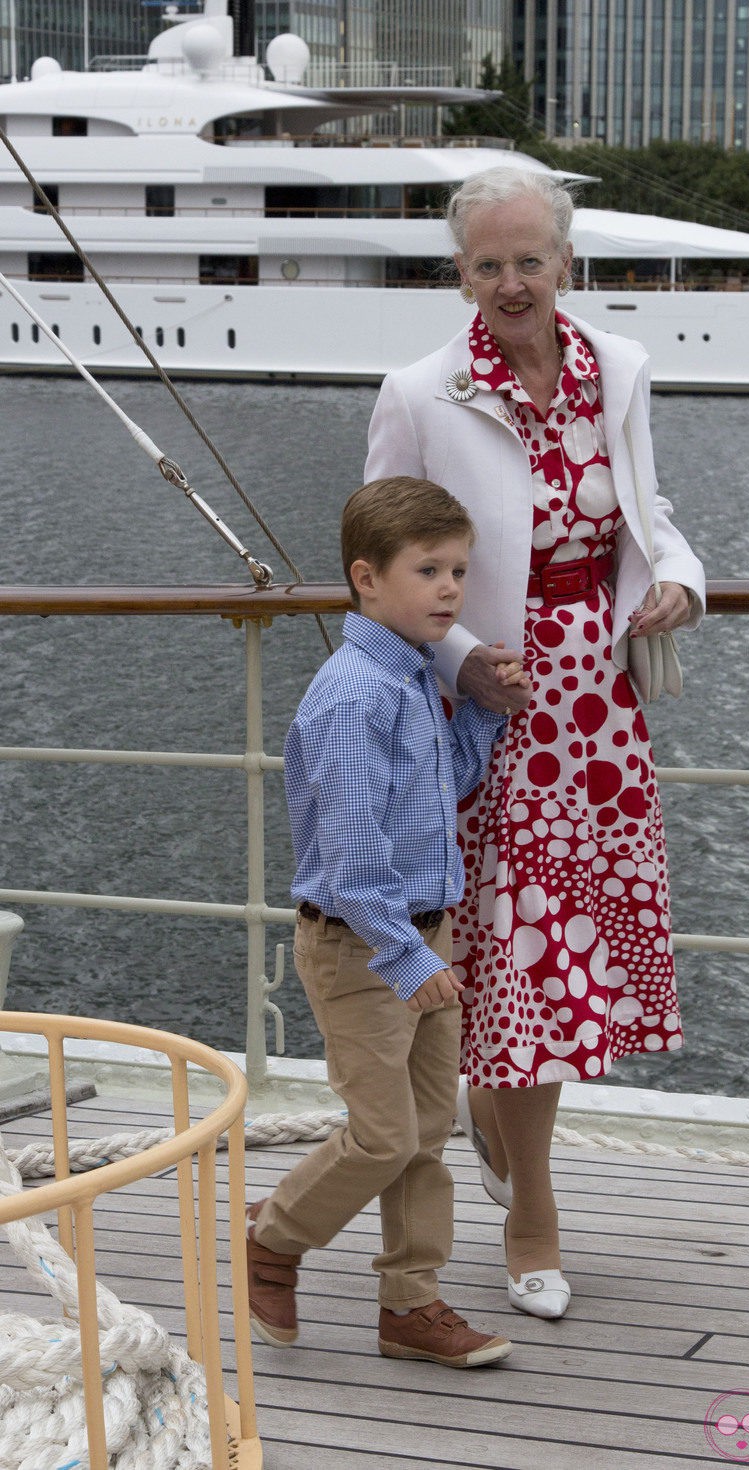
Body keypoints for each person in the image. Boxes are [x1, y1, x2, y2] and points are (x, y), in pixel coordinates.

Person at [364, 167, 705, 1322]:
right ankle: (533, 1212)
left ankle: (508, 1139)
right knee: (513, 961)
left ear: (565, 260)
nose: (510, 283)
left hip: (598, 719)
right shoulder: (419, 392)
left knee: (561, 963)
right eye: (485, 264)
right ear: (457, 273)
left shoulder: (617, 370)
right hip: (487, 720)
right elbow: (382, 562)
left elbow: (644, 522)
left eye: (529, 260)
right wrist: (460, 659)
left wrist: (676, 585)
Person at [245, 475, 529, 1369]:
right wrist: (409, 959)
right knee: (384, 1133)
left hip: (420, 937)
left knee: (429, 1131)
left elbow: (437, 786)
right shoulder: (352, 698)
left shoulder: (407, 677)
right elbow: (353, 862)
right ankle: (275, 1239)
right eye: (429, 570)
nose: (451, 588)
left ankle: (411, 1303)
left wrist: (483, 713)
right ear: (367, 579)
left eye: (458, 570)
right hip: (365, 945)